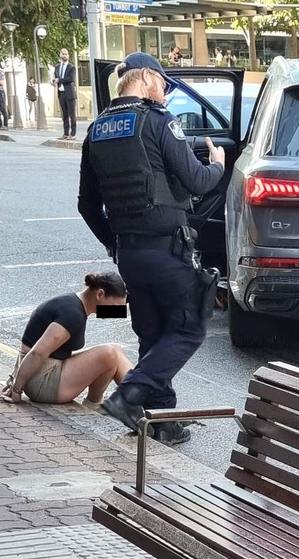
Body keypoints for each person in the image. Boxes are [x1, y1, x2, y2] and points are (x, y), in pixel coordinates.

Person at [77, 52, 226, 445]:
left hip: (129, 254)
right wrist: (218, 164)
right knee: (190, 326)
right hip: (166, 250)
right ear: (145, 77)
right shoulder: (158, 122)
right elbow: (196, 181)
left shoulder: (96, 130)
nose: (165, 93)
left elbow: (87, 204)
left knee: (154, 333)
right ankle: (130, 394)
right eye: (163, 83)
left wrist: (114, 243)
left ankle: (160, 422)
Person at [1, 273, 132, 407]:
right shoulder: (72, 315)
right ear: (100, 294)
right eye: (115, 306)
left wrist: (14, 378)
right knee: (110, 353)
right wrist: (16, 389)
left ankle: (96, 404)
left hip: (43, 371)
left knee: (115, 350)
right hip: (42, 382)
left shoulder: (72, 303)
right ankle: (140, 399)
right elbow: (37, 352)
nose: (116, 313)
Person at [52, 48, 77, 140]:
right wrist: (54, 81)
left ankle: (73, 134)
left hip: (70, 93)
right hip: (61, 93)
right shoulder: (57, 67)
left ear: (68, 56)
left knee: (72, 114)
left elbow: (71, 79)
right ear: (60, 55)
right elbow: (55, 77)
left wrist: (60, 80)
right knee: (64, 114)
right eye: (63, 54)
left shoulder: (71, 67)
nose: (65, 55)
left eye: (66, 54)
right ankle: (66, 133)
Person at [0, 64, 8, 130]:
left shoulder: (1, 72)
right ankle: (0, 125)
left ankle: (5, 125)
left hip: (0, 92)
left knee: (2, 108)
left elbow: (2, 82)